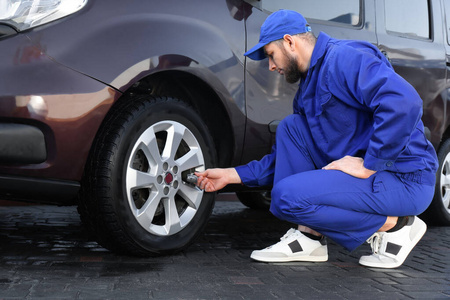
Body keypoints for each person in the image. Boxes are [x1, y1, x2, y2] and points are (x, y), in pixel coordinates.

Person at [195, 10, 438, 268]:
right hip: (375, 177)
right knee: (292, 127)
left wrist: (369, 163)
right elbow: (285, 159)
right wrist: (232, 175)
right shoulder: (308, 88)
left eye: (270, 55)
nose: (271, 66)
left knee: (285, 198)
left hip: (404, 178)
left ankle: (397, 225)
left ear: (289, 42)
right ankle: (309, 238)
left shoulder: (344, 58)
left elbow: (404, 102)